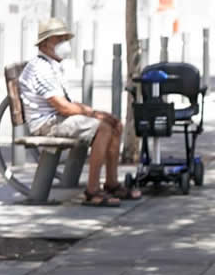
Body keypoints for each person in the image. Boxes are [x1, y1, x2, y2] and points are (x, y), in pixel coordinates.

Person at [19, 18, 140, 207]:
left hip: (57, 119)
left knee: (114, 124)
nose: (64, 43)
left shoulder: (53, 66)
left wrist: (95, 112)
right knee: (103, 128)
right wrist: (94, 115)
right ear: (44, 43)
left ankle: (111, 183)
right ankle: (92, 191)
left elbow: (66, 104)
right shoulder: (40, 68)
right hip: (47, 125)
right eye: (58, 39)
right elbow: (63, 107)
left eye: (65, 38)